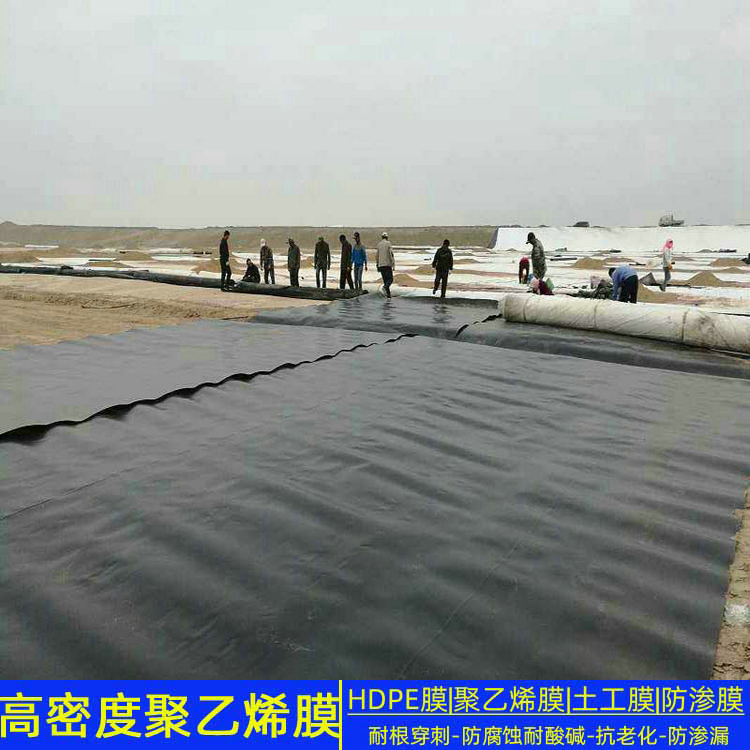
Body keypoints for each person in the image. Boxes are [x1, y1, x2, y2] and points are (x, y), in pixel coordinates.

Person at [376, 231, 395, 298]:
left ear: (382, 237)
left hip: (381, 265)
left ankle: (388, 295)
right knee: (390, 279)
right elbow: (391, 254)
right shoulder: (388, 243)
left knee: (385, 280)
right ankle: (385, 287)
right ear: (387, 237)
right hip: (387, 264)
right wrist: (393, 264)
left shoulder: (379, 244)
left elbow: (377, 256)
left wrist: (377, 265)